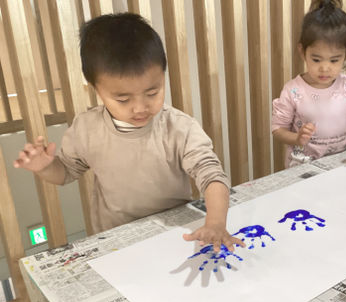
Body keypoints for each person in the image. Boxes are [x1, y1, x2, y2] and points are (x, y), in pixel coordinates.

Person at [13, 13, 244, 252]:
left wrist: (216, 222)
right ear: (96, 90)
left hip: (176, 234)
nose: (140, 107)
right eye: (122, 99)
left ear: (163, 77)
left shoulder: (178, 127)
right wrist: (44, 167)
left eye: (152, 93)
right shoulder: (87, 128)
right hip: (116, 240)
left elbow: (212, 175)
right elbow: (65, 173)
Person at [272, 0, 346, 168]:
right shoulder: (293, 90)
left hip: (337, 166)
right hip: (301, 168)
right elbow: (278, 129)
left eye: (334, 60)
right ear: (302, 51)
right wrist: (297, 138)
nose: (325, 68)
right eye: (316, 59)